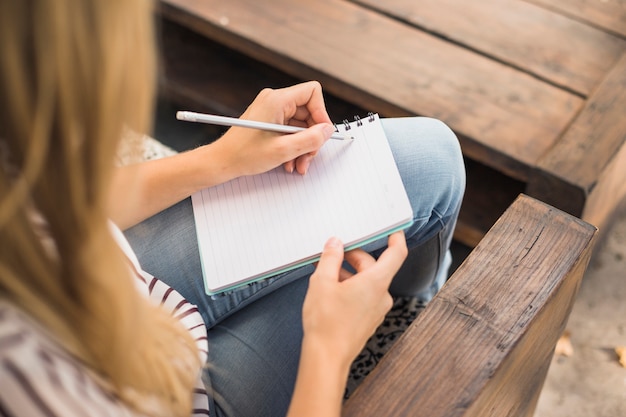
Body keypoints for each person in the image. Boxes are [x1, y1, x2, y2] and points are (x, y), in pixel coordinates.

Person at [0, 1, 465, 417]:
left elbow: (51, 201)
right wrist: (330, 352)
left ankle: (402, 297)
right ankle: (405, 309)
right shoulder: (25, 380)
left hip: (125, 290)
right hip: (177, 398)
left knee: (430, 156)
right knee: (395, 208)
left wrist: (220, 159)